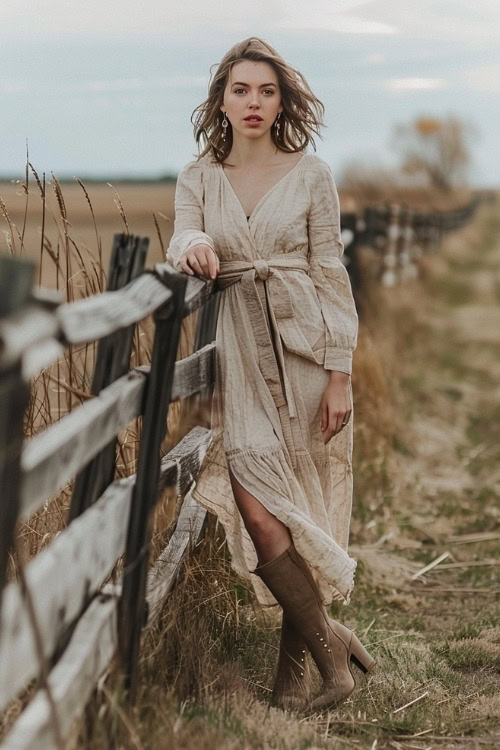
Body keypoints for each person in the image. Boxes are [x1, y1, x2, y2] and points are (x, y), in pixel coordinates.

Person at [166, 37, 375, 711]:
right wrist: (196, 244)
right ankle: (333, 642)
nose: (253, 103)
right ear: (220, 101)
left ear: (282, 101)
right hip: (244, 357)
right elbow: (183, 235)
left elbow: (329, 272)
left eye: (266, 91)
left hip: (308, 350)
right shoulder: (199, 174)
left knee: (300, 509)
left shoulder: (311, 173)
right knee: (261, 511)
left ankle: (294, 686)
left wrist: (340, 371)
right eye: (240, 90)